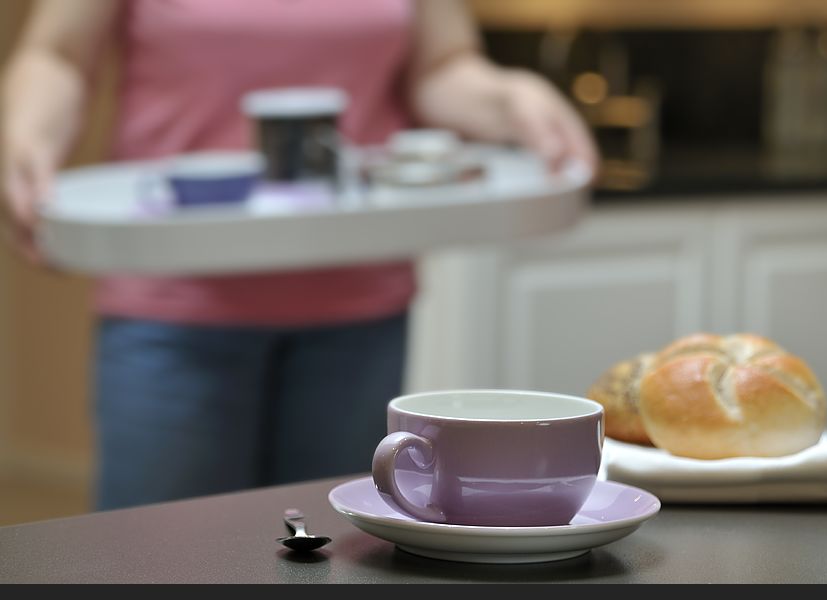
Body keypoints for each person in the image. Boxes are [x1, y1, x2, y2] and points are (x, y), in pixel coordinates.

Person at [1, 0, 596, 510]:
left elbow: (441, 67)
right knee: (160, 583)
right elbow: (56, 55)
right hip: (173, 310)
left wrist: (510, 99)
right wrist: (24, 135)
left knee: (332, 574)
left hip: (359, 312)